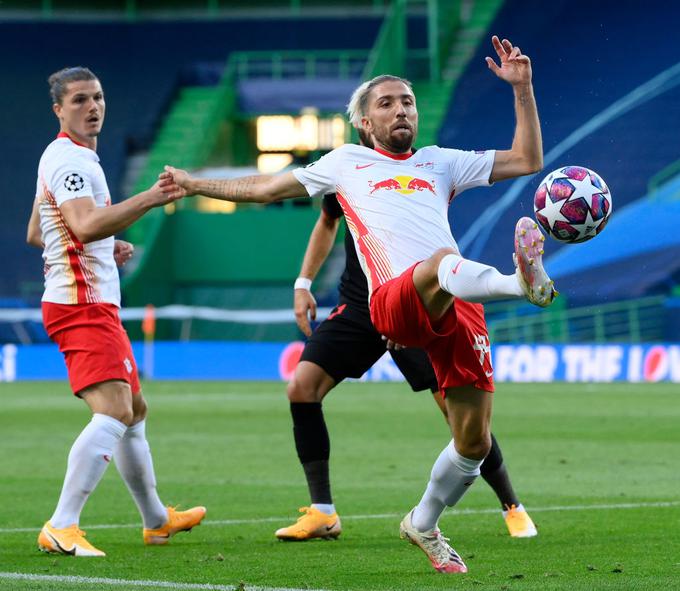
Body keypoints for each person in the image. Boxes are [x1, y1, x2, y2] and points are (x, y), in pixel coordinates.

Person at [164, 36, 555, 573]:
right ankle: (520, 284)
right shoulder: (345, 163)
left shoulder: (441, 163)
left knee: (472, 441)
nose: (401, 109)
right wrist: (192, 184)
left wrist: (523, 89)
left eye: (408, 102)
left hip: (458, 302)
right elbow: (264, 188)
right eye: (387, 103)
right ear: (365, 124)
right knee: (441, 259)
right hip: (393, 302)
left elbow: (528, 159)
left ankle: (423, 522)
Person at [273, 179, 537, 542]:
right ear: (365, 123)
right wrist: (303, 283)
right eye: (381, 115)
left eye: (403, 115)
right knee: (301, 388)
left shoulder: (420, 173)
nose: (397, 117)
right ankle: (323, 512)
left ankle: (512, 506)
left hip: (415, 303)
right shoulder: (343, 171)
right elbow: (327, 220)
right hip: (360, 307)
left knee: (459, 417)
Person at [26, 66, 206, 557]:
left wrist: (110, 245)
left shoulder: (66, 159)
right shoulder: (72, 163)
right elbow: (82, 227)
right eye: (80, 99)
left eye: (98, 97)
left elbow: (41, 231)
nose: (93, 106)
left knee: (135, 411)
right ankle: (62, 524)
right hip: (81, 304)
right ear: (59, 110)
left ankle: (156, 520)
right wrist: (150, 198)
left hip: (92, 300)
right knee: (115, 411)